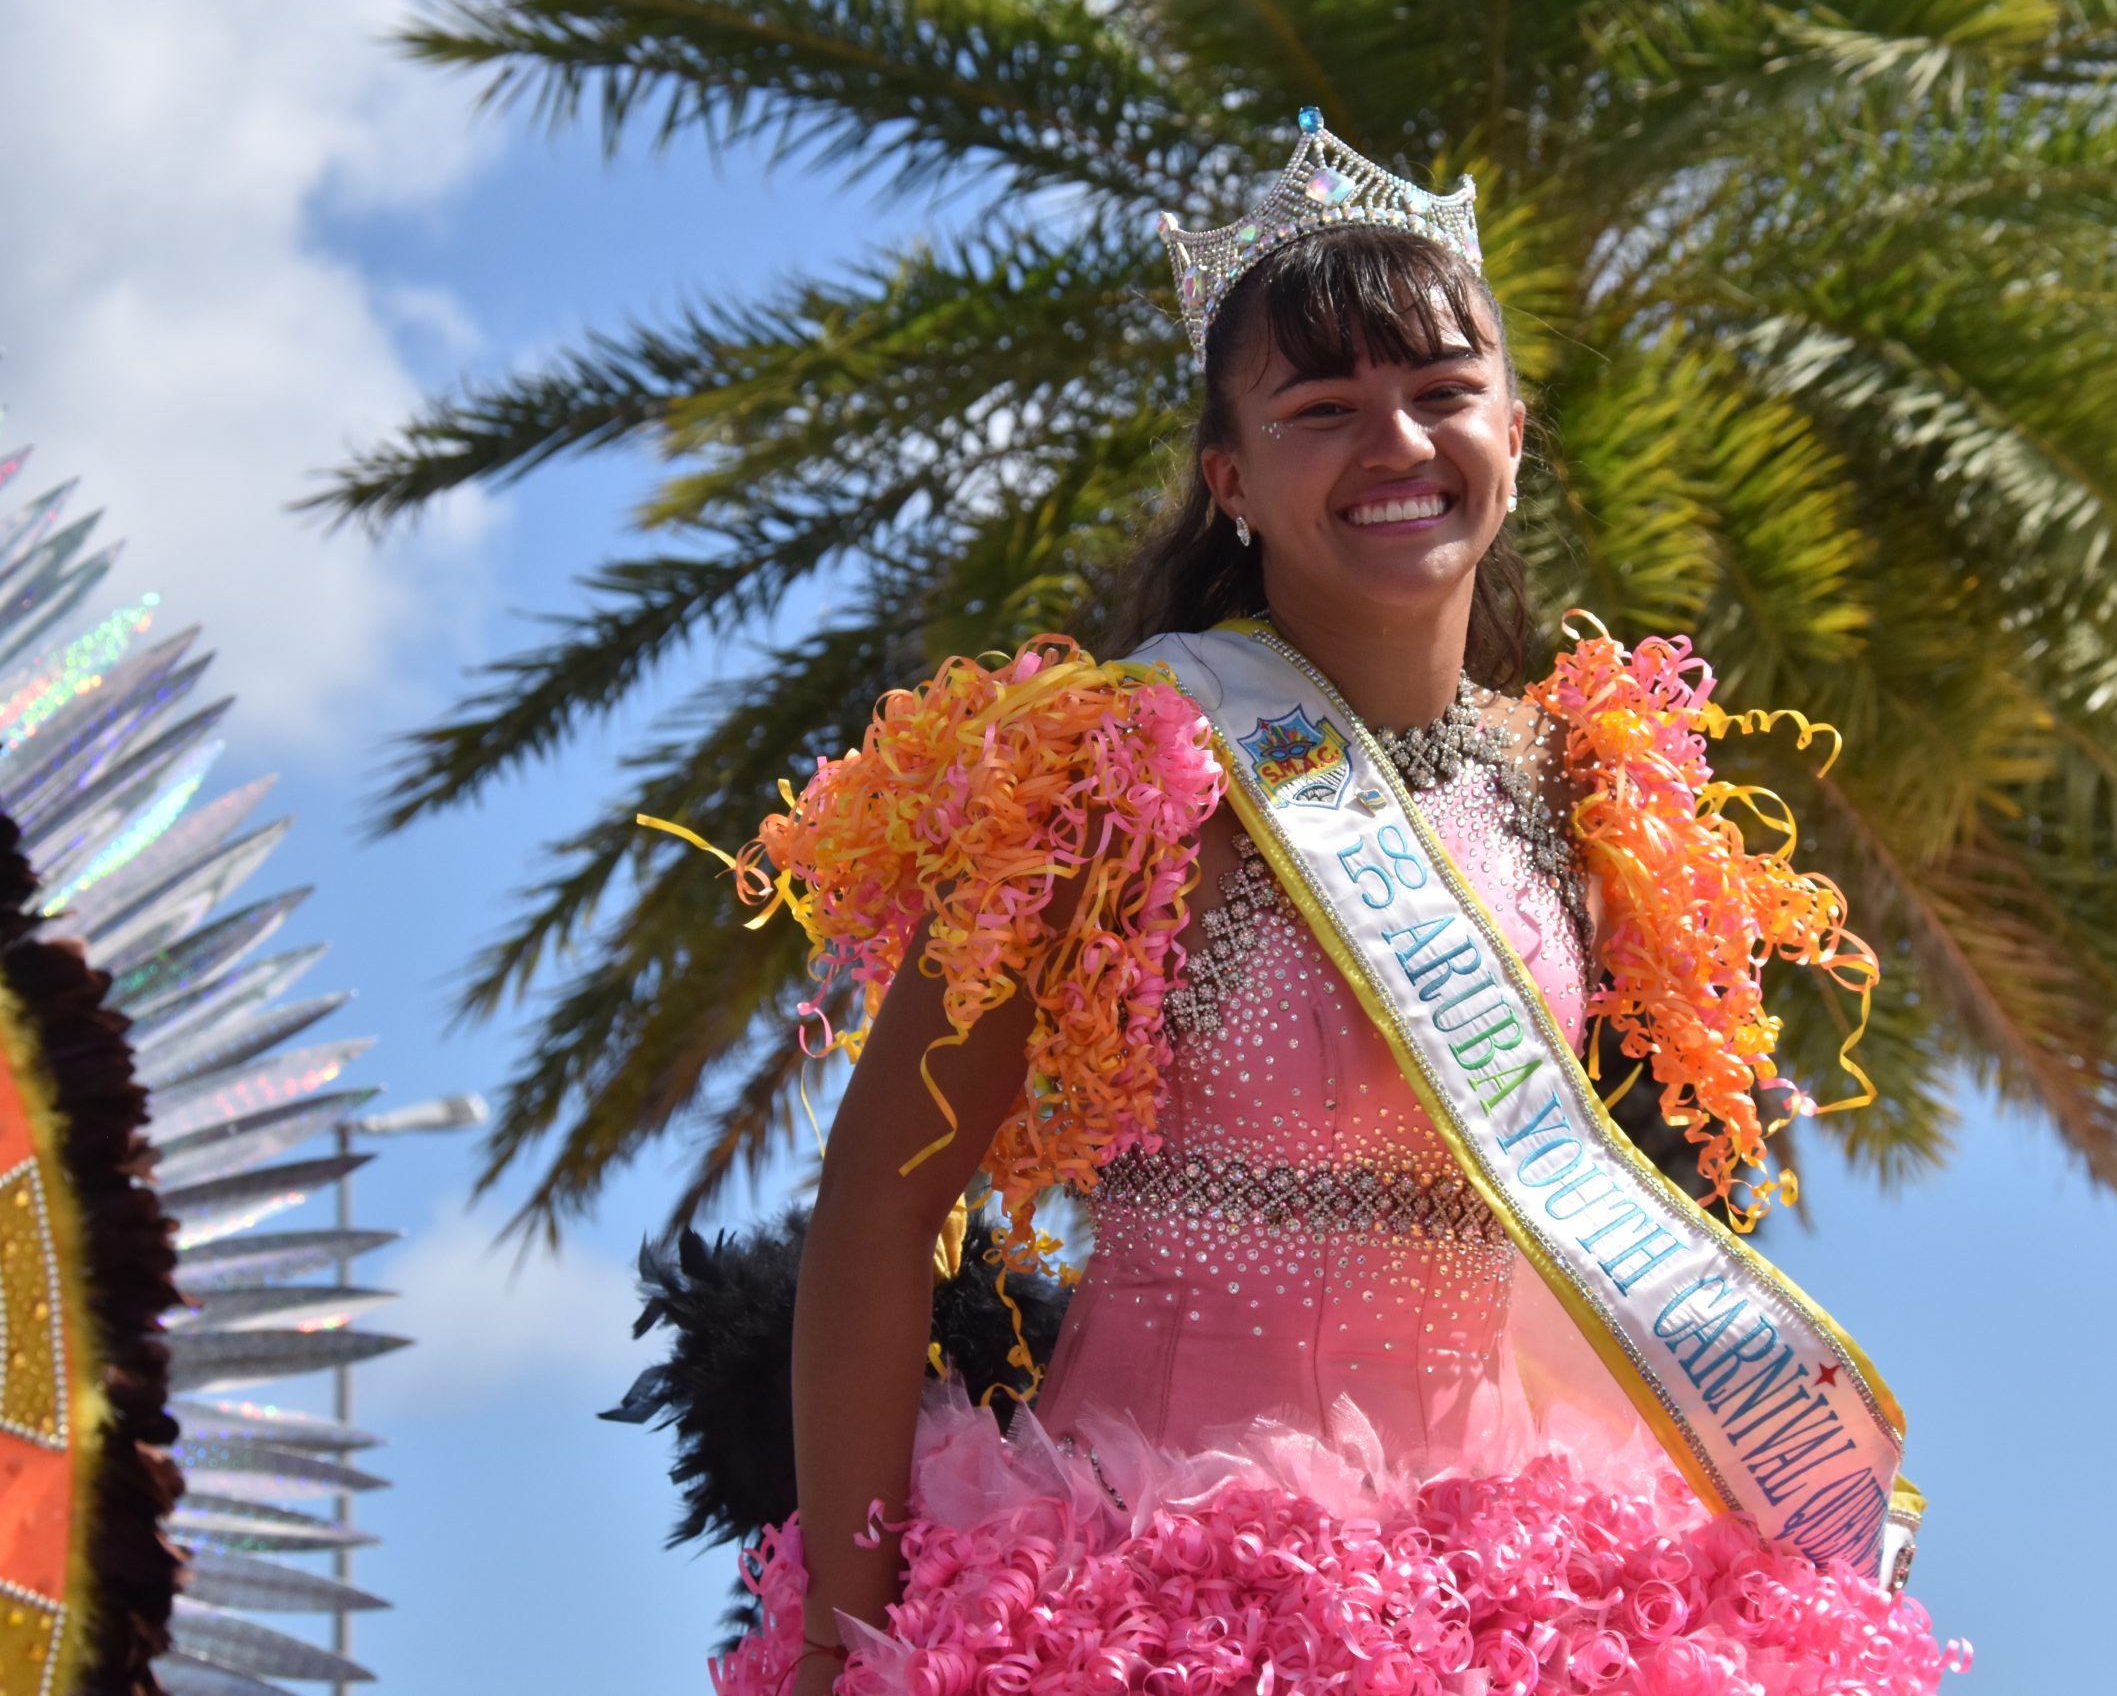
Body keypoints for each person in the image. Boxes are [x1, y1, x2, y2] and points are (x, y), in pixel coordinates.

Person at [702, 111, 1962, 1696]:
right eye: (1325, 407)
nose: (1399, 445)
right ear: (1229, 475)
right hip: (1153, 1559)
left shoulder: (1585, 787)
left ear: (1516, 426)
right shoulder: (1113, 782)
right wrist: (843, 1630)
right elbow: (880, 1208)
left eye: (1444, 394)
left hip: (1538, 1586)